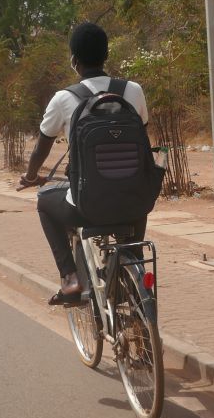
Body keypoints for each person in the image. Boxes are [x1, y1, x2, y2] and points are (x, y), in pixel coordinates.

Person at [19, 22, 148, 306]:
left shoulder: (64, 98)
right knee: (134, 239)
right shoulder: (134, 91)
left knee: (43, 201)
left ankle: (70, 278)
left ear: (74, 61)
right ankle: (134, 271)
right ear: (106, 55)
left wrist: (30, 176)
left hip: (87, 206)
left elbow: (42, 147)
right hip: (135, 204)